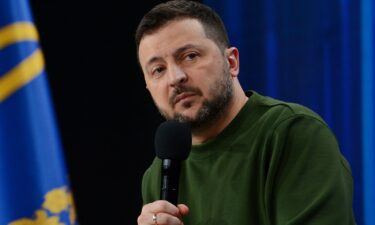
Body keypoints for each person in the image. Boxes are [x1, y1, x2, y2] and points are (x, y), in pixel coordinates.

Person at [135, 0, 356, 224]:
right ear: (148, 87)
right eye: (158, 70)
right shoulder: (159, 174)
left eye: (190, 56)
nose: (175, 78)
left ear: (231, 62)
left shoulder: (293, 133)